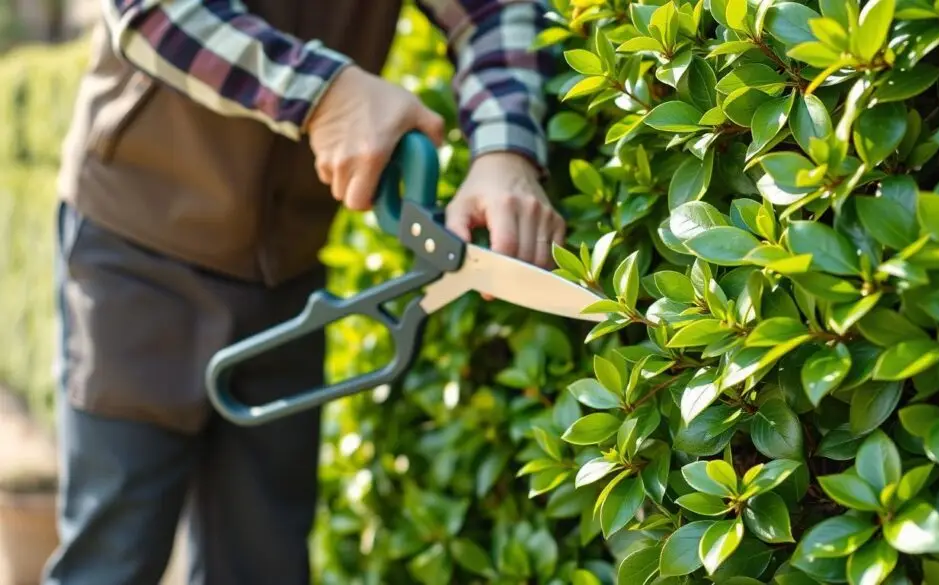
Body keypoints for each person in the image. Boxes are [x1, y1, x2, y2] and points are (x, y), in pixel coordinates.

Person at [42, 0, 562, 583]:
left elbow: (493, 12)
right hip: (135, 246)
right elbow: (151, 11)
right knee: (112, 559)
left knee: (265, 566)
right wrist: (324, 92)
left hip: (283, 273)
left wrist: (504, 149)